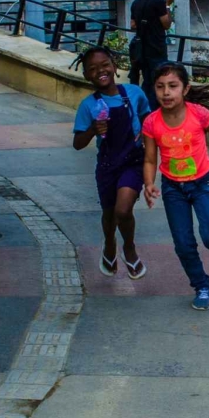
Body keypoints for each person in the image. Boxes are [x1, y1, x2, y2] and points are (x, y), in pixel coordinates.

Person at [141, 63, 209, 311]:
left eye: (173, 86)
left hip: (202, 182)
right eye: (160, 87)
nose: (166, 93)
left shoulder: (199, 114)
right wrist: (148, 184)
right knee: (183, 243)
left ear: (185, 89)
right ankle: (201, 286)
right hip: (172, 188)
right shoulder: (152, 122)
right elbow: (149, 158)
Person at [73, 46, 152, 280]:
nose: (101, 71)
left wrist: (151, 144)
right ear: (87, 75)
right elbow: (77, 143)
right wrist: (92, 130)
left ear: (115, 67)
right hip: (107, 165)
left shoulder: (135, 93)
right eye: (93, 69)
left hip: (133, 162)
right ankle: (109, 243)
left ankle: (129, 247)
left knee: (123, 209)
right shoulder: (89, 105)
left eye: (105, 65)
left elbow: (149, 119)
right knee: (109, 214)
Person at [130, 0, 173, 103]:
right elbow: (166, 24)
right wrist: (168, 5)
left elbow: (133, 25)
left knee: (147, 81)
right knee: (158, 83)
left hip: (142, 50)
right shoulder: (158, 1)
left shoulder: (137, 1)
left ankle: (143, 111)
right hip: (156, 49)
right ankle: (152, 115)